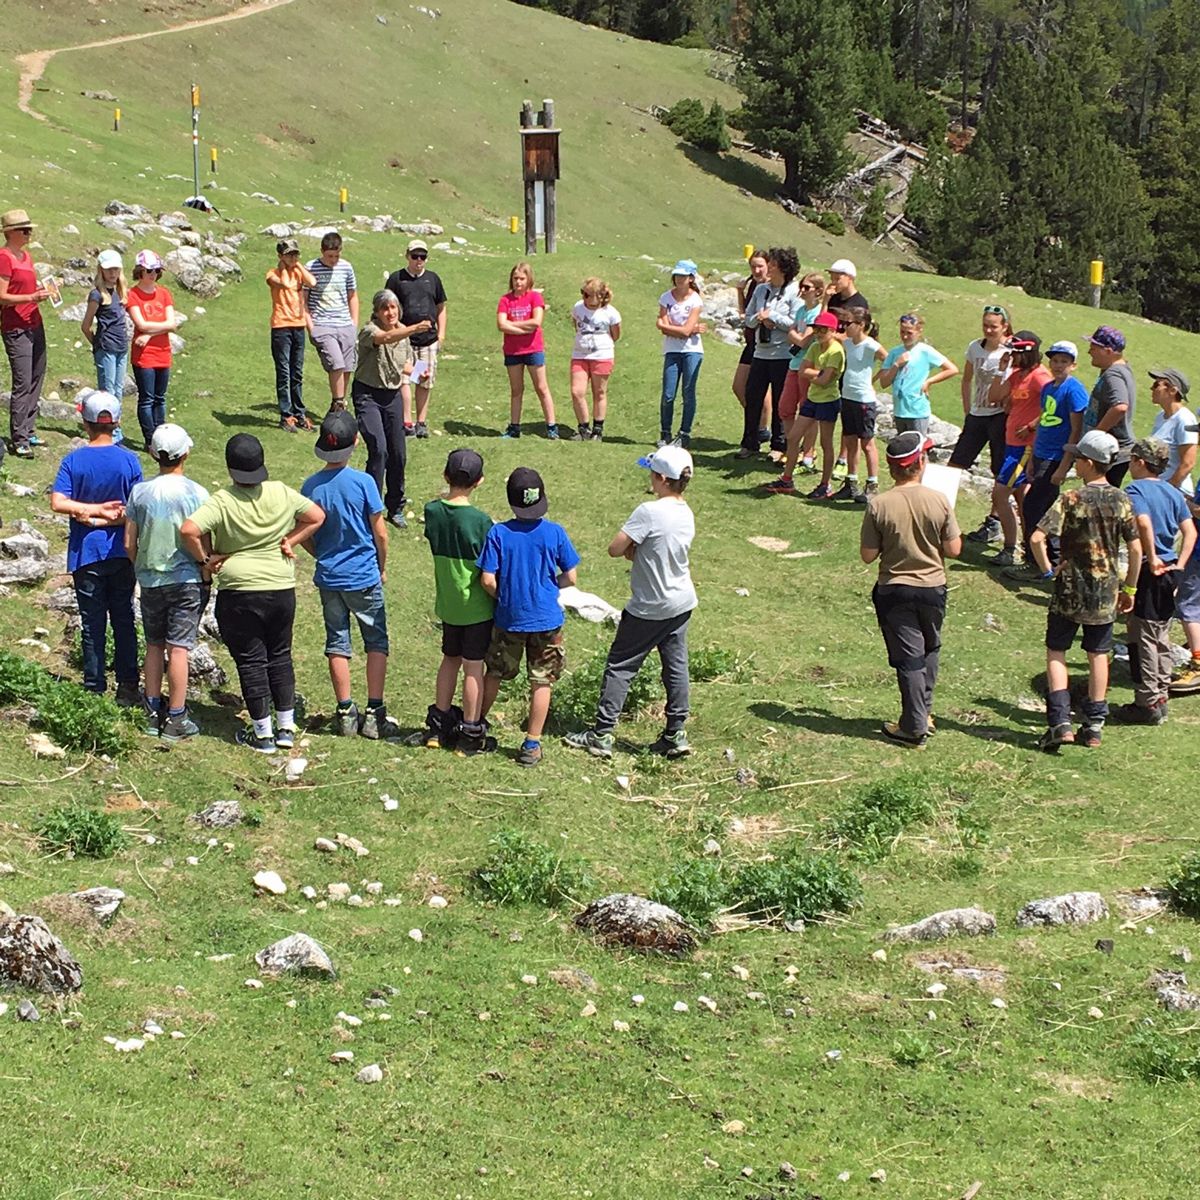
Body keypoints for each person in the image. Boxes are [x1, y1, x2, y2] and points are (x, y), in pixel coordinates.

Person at [180, 434, 324, 753]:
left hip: (239, 590)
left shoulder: (222, 500)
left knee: (251, 661)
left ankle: (262, 733)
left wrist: (205, 560)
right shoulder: (281, 491)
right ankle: (286, 728)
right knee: (280, 655)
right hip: (280, 586)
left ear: (230, 467)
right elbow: (316, 516)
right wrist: (291, 540)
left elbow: (189, 530)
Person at [563, 444, 697, 760]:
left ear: (662, 478)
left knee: (621, 665)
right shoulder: (686, 512)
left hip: (649, 606)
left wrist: (632, 549)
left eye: (652, 473)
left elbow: (615, 548)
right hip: (681, 602)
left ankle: (602, 734)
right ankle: (676, 732)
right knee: (676, 666)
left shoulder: (649, 511)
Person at [1030, 430, 1140, 751]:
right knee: (1098, 654)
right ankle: (1093, 725)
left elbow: (1037, 538)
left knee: (1057, 650)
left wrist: (1048, 570)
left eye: (1078, 458)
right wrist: (1129, 587)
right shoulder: (1122, 500)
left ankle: (1060, 722)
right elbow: (1135, 549)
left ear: (1089, 463)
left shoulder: (1071, 498)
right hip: (1105, 591)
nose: (1075, 462)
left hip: (1069, 589)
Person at [860, 431, 961, 748]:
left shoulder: (880, 504)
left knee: (908, 659)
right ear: (921, 462)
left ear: (892, 469)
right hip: (933, 587)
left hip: (895, 589)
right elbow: (954, 549)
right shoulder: (939, 499)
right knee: (930, 649)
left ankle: (913, 727)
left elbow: (867, 555)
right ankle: (923, 713)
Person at [300, 411, 397, 740]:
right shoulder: (364, 483)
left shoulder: (310, 486)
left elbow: (304, 531)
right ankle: (374, 713)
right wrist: (381, 566)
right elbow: (380, 533)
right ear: (356, 442)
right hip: (363, 575)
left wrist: (320, 554)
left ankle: (345, 712)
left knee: (337, 643)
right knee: (376, 641)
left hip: (330, 578)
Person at [477, 467, 580, 767]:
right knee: (541, 681)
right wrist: (548, 587)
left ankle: (475, 724)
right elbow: (571, 577)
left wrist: (506, 595)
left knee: (495, 672)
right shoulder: (555, 532)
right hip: (547, 619)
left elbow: (487, 580)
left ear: (511, 501)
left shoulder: (498, 533)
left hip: (509, 618)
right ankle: (532, 743)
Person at [50, 391, 143, 704]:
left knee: (92, 623)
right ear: (116, 422)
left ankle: (94, 686)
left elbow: (58, 502)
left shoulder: (73, 460)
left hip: (86, 553)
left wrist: (90, 514)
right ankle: (128, 686)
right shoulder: (129, 460)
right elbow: (136, 509)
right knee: (124, 619)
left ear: (85, 423)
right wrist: (108, 515)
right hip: (122, 552)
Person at [123, 423, 210, 742]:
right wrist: (205, 570)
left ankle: (151, 710)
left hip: (151, 579)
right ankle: (176, 716)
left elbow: (128, 543)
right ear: (185, 453)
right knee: (179, 648)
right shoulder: (198, 493)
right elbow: (204, 538)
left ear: (153, 454)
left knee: (154, 644)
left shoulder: (139, 492)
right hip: (186, 579)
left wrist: (141, 567)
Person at [422, 448, 496, 755]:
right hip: (477, 608)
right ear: (480, 481)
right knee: (473, 667)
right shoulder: (482, 521)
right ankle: (469, 731)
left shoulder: (431, 511)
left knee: (449, 659)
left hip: (448, 605)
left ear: (445, 475)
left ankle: (437, 728)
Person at [1117, 437, 1195, 725]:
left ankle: (1147, 702)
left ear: (1140, 462)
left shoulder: (1135, 490)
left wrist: (1152, 557)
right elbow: (1190, 532)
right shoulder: (1173, 492)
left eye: (1132, 459)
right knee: (1161, 633)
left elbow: (1143, 522)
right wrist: (1180, 565)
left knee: (1144, 636)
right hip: (1171, 569)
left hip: (1151, 570)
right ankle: (1160, 694)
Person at [1005, 340, 1089, 581]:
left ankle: (1040, 563)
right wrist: (1032, 456)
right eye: (1055, 360)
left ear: (1073, 365)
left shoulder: (1074, 390)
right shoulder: (1049, 388)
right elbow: (1043, 420)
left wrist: (1064, 465)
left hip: (1056, 456)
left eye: (1064, 361)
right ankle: (1049, 561)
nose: (1058, 365)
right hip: (1041, 452)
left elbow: (1076, 429)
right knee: (1040, 508)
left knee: (1034, 506)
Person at [353, 287, 429, 531]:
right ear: (376, 312)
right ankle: (372, 508)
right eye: (384, 308)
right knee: (379, 449)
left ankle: (395, 507)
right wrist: (414, 329)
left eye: (393, 307)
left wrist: (418, 373)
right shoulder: (369, 330)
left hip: (392, 395)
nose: (390, 312)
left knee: (398, 453)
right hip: (367, 395)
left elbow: (403, 364)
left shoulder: (402, 333)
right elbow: (385, 339)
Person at [986, 331, 1052, 567]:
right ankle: (1029, 549)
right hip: (1011, 444)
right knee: (1022, 498)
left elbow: (1052, 406)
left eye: (1015, 353)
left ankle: (1009, 548)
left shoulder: (1040, 377)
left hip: (1025, 448)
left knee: (1000, 494)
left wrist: (1033, 425)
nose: (1012, 356)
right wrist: (1001, 370)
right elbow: (993, 397)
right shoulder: (1017, 375)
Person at [951, 305, 1014, 545]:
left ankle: (994, 522)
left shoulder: (1011, 350)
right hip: (977, 414)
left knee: (999, 471)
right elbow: (967, 379)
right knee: (955, 464)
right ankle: (938, 514)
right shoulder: (974, 347)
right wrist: (968, 410)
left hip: (999, 416)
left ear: (1004, 327)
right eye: (985, 325)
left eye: (993, 326)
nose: (988, 330)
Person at [765, 311, 845, 496]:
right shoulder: (815, 346)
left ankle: (825, 485)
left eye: (823, 330)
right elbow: (802, 371)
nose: (818, 333)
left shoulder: (836, 351)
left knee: (826, 443)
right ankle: (787, 480)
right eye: (816, 329)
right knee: (793, 438)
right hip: (812, 398)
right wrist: (819, 373)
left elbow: (824, 380)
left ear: (833, 331)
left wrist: (814, 374)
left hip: (828, 401)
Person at [738, 246, 802, 460]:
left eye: (772, 265)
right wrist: (759, 318)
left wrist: (772, 317)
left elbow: (795, 323)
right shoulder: (761, 290)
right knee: (752, 398)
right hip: (760, 353)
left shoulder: (794, 291)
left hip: (783, 355)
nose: (768, 269)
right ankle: (749, 443)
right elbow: (748, 318)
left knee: (780, 402)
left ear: (783, 268)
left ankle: (779, 445)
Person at [384, 239, 447, 438]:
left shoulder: (433, 279)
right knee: (404, 380)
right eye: (415, 256)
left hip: (428, 340)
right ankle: (406, 421)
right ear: (407, 256)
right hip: (404, 340)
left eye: (422, 256)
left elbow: (441, 307)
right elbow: (387, 307)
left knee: (423, 380)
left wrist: (441, 334)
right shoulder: (396, 279)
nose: (419, 260)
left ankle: (421, 422)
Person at [0, 209, 49, 459]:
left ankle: (28, 429)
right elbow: (2, 296)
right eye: (25, 230)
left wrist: (43, 289)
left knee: (37, 374)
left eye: (30, 229)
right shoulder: (4, 257)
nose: (29, 234)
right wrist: (31, 296)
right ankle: (19, 437)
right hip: (16, 326)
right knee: (22, 380)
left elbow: (25, 287)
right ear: (11, 233)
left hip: (34, 322)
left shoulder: (26, 256)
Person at [1065, 325, 1134, 486]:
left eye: (1094, 348)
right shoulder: (1118, 370)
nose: (1089, 352)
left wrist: (1095, 436)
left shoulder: (1113, 374)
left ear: (1108, 351)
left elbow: (1120, 406)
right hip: (1111, 451)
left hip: (1107, 452)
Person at [125, 249, 178, 449]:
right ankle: (150, 439)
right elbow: (141, 324)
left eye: (156, 270)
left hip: (163, 352)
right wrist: (153, 330)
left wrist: (149, 335)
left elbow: (172, 323)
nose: (153, 274)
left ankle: (161, 437)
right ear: (140, 271)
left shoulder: (164, 294)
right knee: (147, 399)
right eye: (149, 270)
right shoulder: (133, 295)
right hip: (144, 355)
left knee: (160, 398)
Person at [498, 262, 557, 440]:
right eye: (515, 278)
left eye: (522, 278)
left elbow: (536, 322)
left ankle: (551, 426)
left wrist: (513, 325)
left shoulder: (535, 298)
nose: (518, 282)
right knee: (516, 389)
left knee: (541, 387)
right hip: (513, 351)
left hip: (533, 349)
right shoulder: (505, 300)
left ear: (529, 279)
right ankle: (514, 427)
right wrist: (523, 329)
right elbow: (501, 324)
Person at [831, 306, 884, 502]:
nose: (844, 327)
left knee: (867, 444)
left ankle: (872, 484)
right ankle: (851, 483)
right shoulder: (847, 342)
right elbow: (833, 335)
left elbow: (887, 360)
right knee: (850, 441)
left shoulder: (870, 345)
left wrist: (875, 379)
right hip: (847, 397)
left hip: (864, 400)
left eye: (848, 323)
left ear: (861, 325)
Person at [265, 237, 316, 432]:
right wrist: (285, 267)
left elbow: (312, 282)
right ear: (280, 256)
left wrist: (298, 266)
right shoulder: (273, 274)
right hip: (281, 327)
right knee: (284, 372)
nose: (293, 258)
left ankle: (299, 413)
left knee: (297, 372)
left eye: (296, 254)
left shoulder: (298, 272)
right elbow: (285, 284)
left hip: (298, 326)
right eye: (289, 255)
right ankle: (286, 415)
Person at [877, 313, 958, 436]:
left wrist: (929, 381)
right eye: (902, 332)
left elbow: (952, 369)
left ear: (919, 332)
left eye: (909, 333)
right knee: (903, 445)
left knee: (918, 444)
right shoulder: (894, 352)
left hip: (917, 411)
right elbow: (884, 383)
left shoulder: (925, 351)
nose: (905, 336)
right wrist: (896, 365)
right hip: (899, 411)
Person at [304, 231, 358, 414]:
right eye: (329, 256)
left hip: (345, 324)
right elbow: (303, 299)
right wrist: (311, 326)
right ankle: (338, 403)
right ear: (322, 251)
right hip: (322, 324)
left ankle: (340, 403)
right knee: (336, 363)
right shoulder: (310, 267)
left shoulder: (346, 268)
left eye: (336, 256)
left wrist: (354, 323)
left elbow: (352, 296)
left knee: (347, 366)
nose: (333, 260)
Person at [656, 259, 704, 448]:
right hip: (672, 350)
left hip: (692, 350)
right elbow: (664, 327)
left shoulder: (695, 300)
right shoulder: (666, 297)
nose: (678, 279)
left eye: (683, 276)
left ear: (691, 278)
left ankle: (684, 433)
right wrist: (686, 329)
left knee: (688, 392)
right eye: (677, 275)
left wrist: (679, 329)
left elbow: (682, 330)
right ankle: (665, 432)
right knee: (668, 394)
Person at [784, 271, 828, 470]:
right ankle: (791, 447)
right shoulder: (802, 310)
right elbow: (792, 334)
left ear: (818, 291)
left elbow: (803, 341)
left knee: (807, 410)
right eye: (801, 286)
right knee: (785, 408)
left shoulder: (817, 313)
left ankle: (808, 451)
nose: (802, 290)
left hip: (808, 366)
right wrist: (796, 335)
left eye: (807, 287)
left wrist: (795, 335)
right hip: (794, 364)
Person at [569, 276, 622, 442]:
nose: (585, 297)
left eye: (588, 294)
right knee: (577, 391)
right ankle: (583, 428)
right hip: (580, 355)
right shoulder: (578, 308)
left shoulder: (610, 313)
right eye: (584, 293)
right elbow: (576, 325)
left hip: (602, 356)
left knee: (599, 392)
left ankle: (597, 429)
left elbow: (616, 334)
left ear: (600, 296)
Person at [81, 249, 129, 398]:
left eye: (116, 269)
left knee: (118, 389)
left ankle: (117, 414)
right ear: (101, 270)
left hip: (122, 346)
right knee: (108, 391)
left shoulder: (120, 292)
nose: (112, 273)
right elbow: (86, 326)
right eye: (108, 269)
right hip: (107, 347)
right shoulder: (97, 295)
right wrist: (97, 344)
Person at [730, 250, 768, 422]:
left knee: (762, 391)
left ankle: (762, 428)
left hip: (764, 343)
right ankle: (755, 420)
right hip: (751, 342)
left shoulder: (770, 287)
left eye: (760, 266)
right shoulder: (754, 284)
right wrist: (740, 291)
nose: (756, 270)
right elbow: (744, 312)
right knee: (738, 387)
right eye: (753, 267)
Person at [1147, 368, 1197, 495]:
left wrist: (1167, 489)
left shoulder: (1184, 419)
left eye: (1156, 385)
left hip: (1175, 491)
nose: (1151, 388)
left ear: (1173, 391)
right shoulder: (1160, 416)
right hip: (1158, 486)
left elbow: (1188, 463)